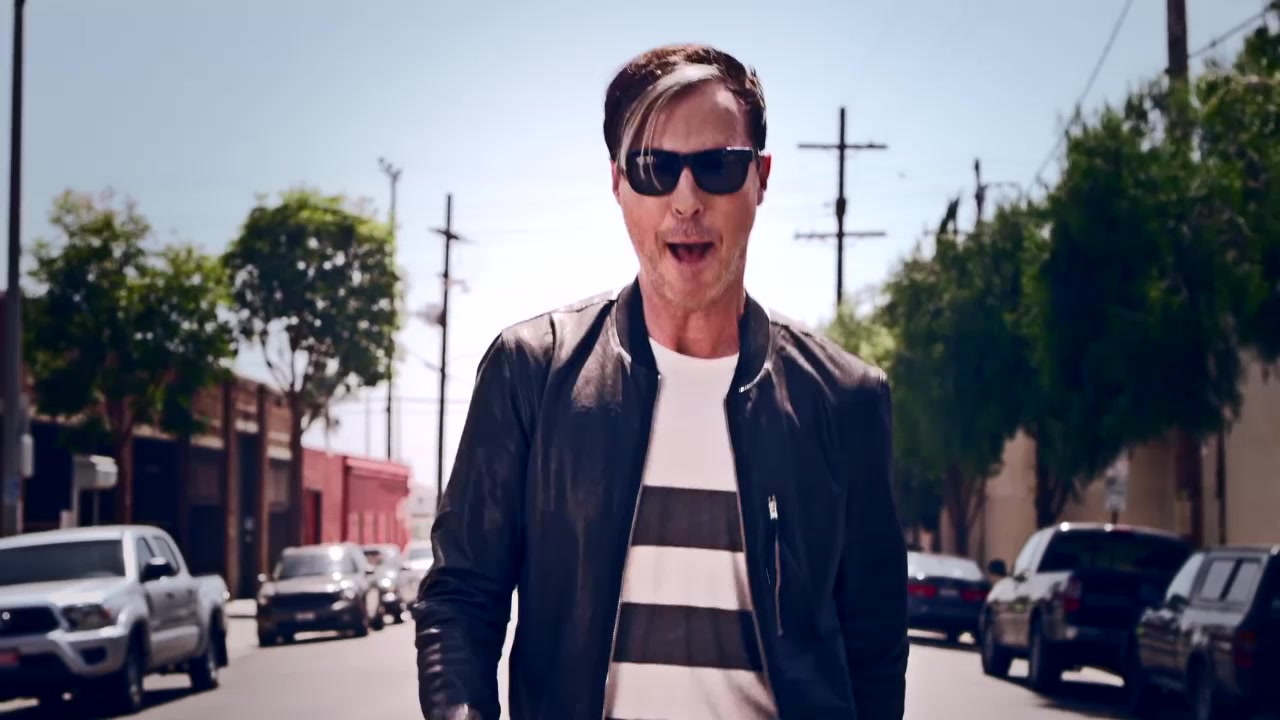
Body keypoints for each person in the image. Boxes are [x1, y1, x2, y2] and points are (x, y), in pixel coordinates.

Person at [414, 43, 908, 720]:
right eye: (654, 168)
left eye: (718, 166)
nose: (686, 199)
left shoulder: (845, 399)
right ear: (618, 183)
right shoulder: (531, 372)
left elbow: (876, 643)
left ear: (761, 178)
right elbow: (461, 597)